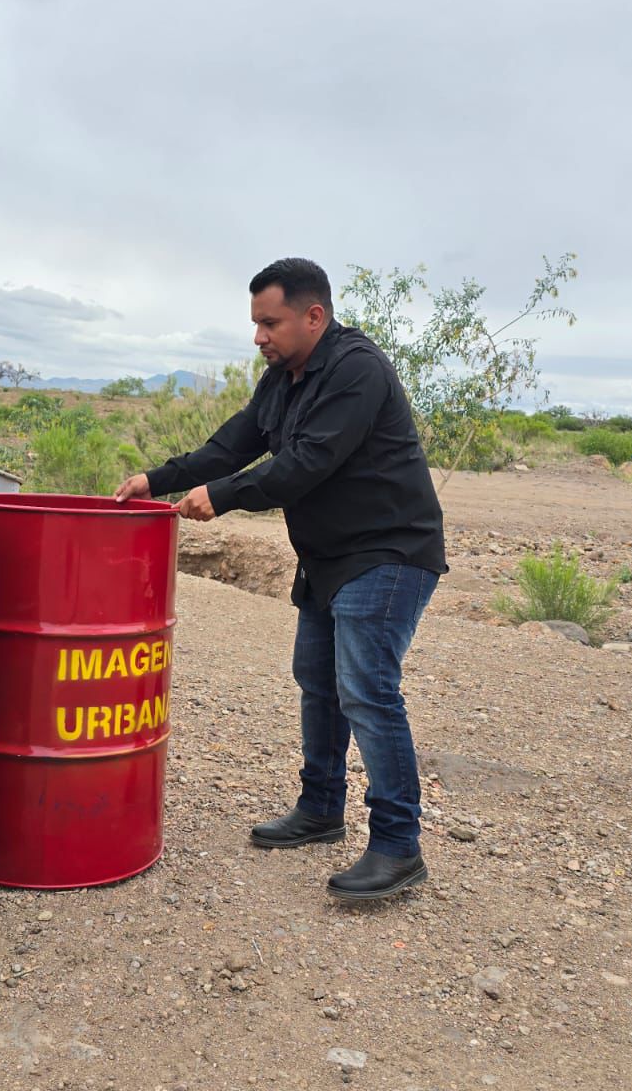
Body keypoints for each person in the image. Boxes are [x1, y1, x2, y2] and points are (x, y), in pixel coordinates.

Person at [115, 257, 446, 900]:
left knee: (367, 691)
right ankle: (321, 808)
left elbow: (307, 462)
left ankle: (398, 846)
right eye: (256, 323)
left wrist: (223, 496)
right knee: (317, 681)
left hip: (388, 552)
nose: (258, 336)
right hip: (327, 556)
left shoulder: (357, 369)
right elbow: (231, 446)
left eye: (270, 323)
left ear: (313, 315)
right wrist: (158, 479)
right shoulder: (282, 379)